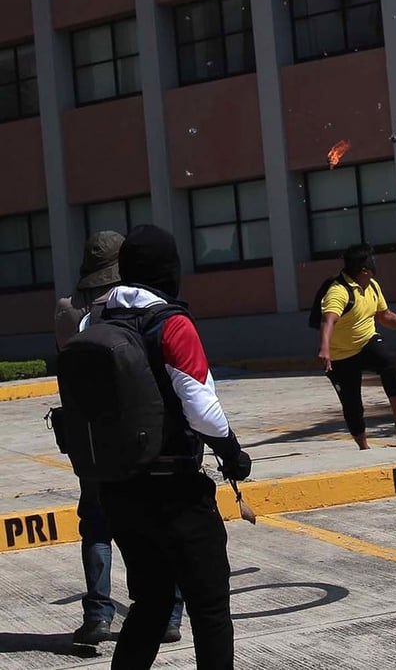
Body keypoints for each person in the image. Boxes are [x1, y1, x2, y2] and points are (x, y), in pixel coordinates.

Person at [92, 224, 251, 669]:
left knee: (150, 603)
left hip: (119, 490)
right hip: (174, 492)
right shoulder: (172, 323)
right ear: (169, 270)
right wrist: (233, 453)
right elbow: (202, 409)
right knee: (210, 608)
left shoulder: (96, 319)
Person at [55, 231, 184, 647]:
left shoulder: (68, 310)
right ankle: (168, 614)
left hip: (90, 436)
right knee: (164, 522)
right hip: (142, 431)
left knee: (95, 524)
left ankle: (98, 615)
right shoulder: (139, 307)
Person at [316, 243, 396, 450]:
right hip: (340, 356)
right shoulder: (338, 292)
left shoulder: (372, 285)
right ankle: (364, 447)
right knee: (352, 404)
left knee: (387, 362)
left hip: (366, 342)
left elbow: (385, 317)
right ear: (364, 270)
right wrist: (325, 348)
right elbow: (328, 320)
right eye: (372, 263)